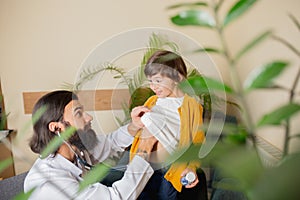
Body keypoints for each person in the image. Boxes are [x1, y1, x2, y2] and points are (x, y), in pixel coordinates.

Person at [24, 90, 157, 200]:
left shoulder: (75, 149)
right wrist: (143, 152)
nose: (89, 118)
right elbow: (115, 198)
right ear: (57, 128)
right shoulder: (50, 182)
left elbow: (112, 142)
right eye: (78, 114)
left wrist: (135, 126)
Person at [129, 50, 206, 199]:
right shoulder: (151, 102)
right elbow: (138, 131)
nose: (153, 86)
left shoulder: (191, 106)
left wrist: (192, 167)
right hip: (145, 166)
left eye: (158, 81)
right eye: (150, 81)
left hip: (171, 170)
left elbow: (198, 141)